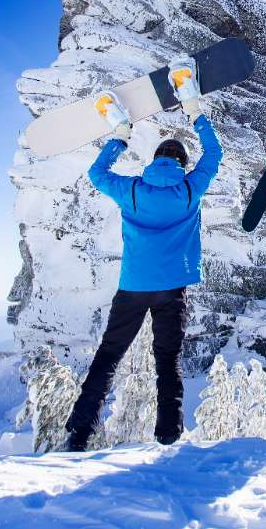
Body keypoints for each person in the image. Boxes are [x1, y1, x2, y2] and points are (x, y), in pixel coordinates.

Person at [65, 58, 222, 450]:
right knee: (167, 360)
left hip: (133, 287)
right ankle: (168, 434)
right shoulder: (189, 190)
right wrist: (194, 111)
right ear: (183, 164)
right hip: (172, 289)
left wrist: (119, 137)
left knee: (109, 356)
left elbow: (97, 176)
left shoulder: (133, 190)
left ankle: (80, 432)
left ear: (155, 161)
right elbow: (215, 154)